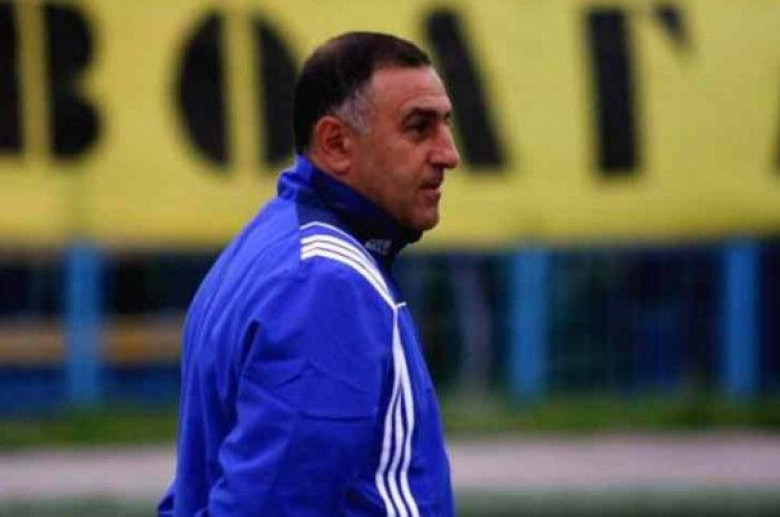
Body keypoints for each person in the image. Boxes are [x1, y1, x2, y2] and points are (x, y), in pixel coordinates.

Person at [158, 31, 460, 516]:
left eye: (446, 125)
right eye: (418, 128)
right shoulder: (326, 282)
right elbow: (271, 505)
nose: (449, 154)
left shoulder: (271, 243)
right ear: (336, 144)